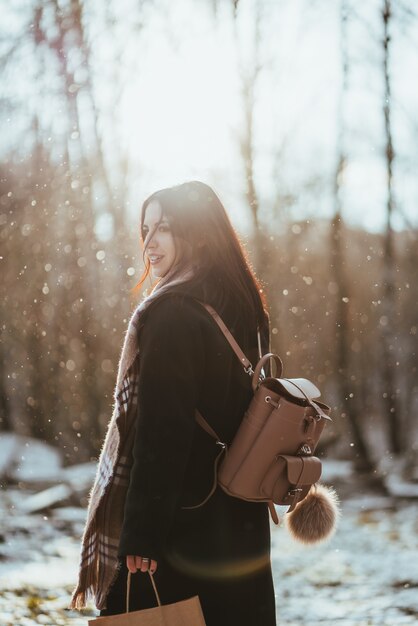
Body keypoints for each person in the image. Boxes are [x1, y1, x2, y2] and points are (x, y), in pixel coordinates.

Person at [72, 180, 276, 625]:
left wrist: (141, 534)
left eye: (163, 228)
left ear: (198, 233)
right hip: (238, 514)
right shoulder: (244, 308)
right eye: (145, 229)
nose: (149, 242)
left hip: (182, 524)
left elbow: (163, 432)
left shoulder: (171, 313)